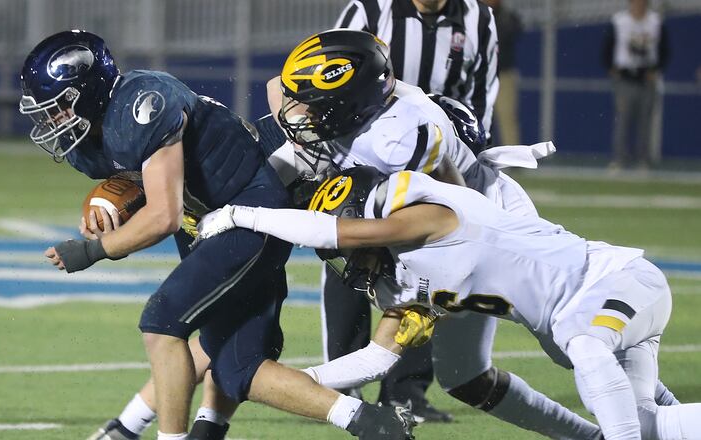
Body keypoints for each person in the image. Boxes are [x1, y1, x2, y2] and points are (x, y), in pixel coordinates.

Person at [19, 30, 415, 440]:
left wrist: (91, 250)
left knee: (162, 324)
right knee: (236, 366)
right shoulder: (93, 142)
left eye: (60, 107)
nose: (54, 120)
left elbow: (163, 216)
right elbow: (152, 180)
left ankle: (158, 435)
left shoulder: (143, 104)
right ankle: (374, 423)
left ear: (87, 93)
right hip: (210, 219)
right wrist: (118, 205)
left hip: (248, 214)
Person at [263, 29, 609, 438]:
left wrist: (426, 293)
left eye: (316, 105)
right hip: (440, 236)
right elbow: (275, 89)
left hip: (487, 231)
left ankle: (655, 418)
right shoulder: (364, 104)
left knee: (574, 344)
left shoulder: (399, 139)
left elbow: (455, 209)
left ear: (350, 102)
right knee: (466, 377)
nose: (302, 111)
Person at [197, 165, 694, 440]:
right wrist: (296, 385)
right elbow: (377, 359)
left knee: (584, 346)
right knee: (650, 424)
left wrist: (246, 215)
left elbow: (349, 229)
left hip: (617, 281)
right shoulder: (407, 277)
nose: (350, 260)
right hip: (593, 313)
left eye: (349, 249)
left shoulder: (430, 218)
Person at [323, 0, 499, 418]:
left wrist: (476, 157)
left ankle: (406, 392)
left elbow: (480, 97)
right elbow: (333, 71)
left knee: (430, 269)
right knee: (352, 257)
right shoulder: (369, 9)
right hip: (367, 157)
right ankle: (344, 387)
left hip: (437, 162)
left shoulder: (479, 19)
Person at [603, 0, 669, 171]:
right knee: (623, 120)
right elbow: (608, 45)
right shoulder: (620, 21)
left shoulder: (655, 21)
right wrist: (611, 67)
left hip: (647, 77)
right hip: (625, 78)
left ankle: (643, 160)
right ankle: (619, 159)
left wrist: (657, 69)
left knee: (645, 122)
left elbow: (664, 49)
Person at [484, 0, 521, 145]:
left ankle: (512, 158)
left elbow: (508, 34)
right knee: (477, 117)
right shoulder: (473, 14)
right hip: (480, 75)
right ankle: (477, 155)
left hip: (503, 74)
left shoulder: (507, 17)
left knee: (507, 118)